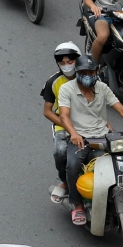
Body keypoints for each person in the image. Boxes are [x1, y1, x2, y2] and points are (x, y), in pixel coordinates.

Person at [59, 54, 123, 226]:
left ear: (97, 71)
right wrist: (73, 133)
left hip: (103, 137)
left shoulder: (103, 88)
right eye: (84, 72)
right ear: (77, 73)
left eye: (91, 72)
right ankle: (77, 204)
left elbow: (121, 110)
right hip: (79, 139)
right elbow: (64, 116)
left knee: (119, 165)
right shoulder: (66, 89)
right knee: (73, 165)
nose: (88, 76)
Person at [44, 42, 82, 204]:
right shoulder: (53, 82)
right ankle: (65, 180)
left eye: (70, 62)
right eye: (62, 63)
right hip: (62, 123)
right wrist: (66, 125)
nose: (67, 66)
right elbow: (47, 111)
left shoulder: (88, 76)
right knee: (60, 152)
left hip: (88, 121)